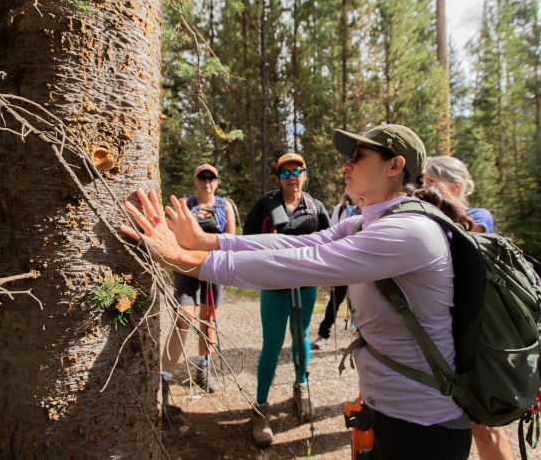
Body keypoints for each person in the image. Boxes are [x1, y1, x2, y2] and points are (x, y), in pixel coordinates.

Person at [121, 124, 473, 459]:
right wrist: (208, 241)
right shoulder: (368, 220)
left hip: (423, 427)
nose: (345, 165)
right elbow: (296, 243)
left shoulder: (408, 231)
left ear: (395, 166)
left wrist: (182, 258)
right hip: (387, 413)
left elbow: (305, 261)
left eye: (358, 156)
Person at [424, 155, 511, 460]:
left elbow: (472, 233)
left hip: (478, 336)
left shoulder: (479, 215)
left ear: (456, 185)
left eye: (431, 184)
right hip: (446, 333)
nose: (425, 190)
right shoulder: (429, 220)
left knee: (483, 425)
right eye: (423, 184)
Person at [241, 152, 330, 445]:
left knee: (301, 337)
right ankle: (261, 407)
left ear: (305, 175)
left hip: (305, 287)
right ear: (278, 178)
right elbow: (247, 240)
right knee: (272, 343)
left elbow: (330, 242)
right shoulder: (266, 204)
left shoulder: (316, 207)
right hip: (275, 287)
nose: (291, 178)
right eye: (285, 173)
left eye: (297, 172)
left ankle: (300, 387)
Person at [160, 164, 236, 412]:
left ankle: (205, 367)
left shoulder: (225, 206)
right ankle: (163, 379)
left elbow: (231, 238)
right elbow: (171, 232)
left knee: (209, 317)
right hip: (186, 267)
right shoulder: (185, 203)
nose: (206, 182)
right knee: (184, 318)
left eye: (211, 177)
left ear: (217, 182)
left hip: (214, 267)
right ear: (195, 181)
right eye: (202, 177)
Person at [311, 193, 361, 351]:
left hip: (362, 265)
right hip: (342, 263)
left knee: (360, 303)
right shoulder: (340, 209)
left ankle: (361, 337)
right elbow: (332, 233)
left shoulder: (369, 208)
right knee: (334, 301)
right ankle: (323, 334)